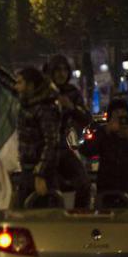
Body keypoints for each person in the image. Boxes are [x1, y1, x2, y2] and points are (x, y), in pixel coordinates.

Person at [80, 99, 128, 205]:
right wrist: (105, 131)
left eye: (123, 113)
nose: (120, 117)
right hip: (107, 196)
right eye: (116, 113)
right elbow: (86, 150)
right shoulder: (105, 136)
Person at [45, 55, 93, 208]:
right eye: (57, 70)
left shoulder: (72, 92)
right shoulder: (44, 92)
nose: (61, 73)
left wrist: (72, 107)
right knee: (50, 190)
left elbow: (86, 118)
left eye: (65, 69)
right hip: (46, 149)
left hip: (65, 148)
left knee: (84, 183)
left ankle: (80, 217)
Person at [14, 68, 62, 208]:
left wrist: (40, 174)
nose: (16, 87)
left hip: (40, 175)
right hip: (29, 170)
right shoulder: (28, 103)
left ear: (31, 85)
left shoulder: (45, 108)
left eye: (20, 83)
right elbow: (6, 82)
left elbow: (51, 142)